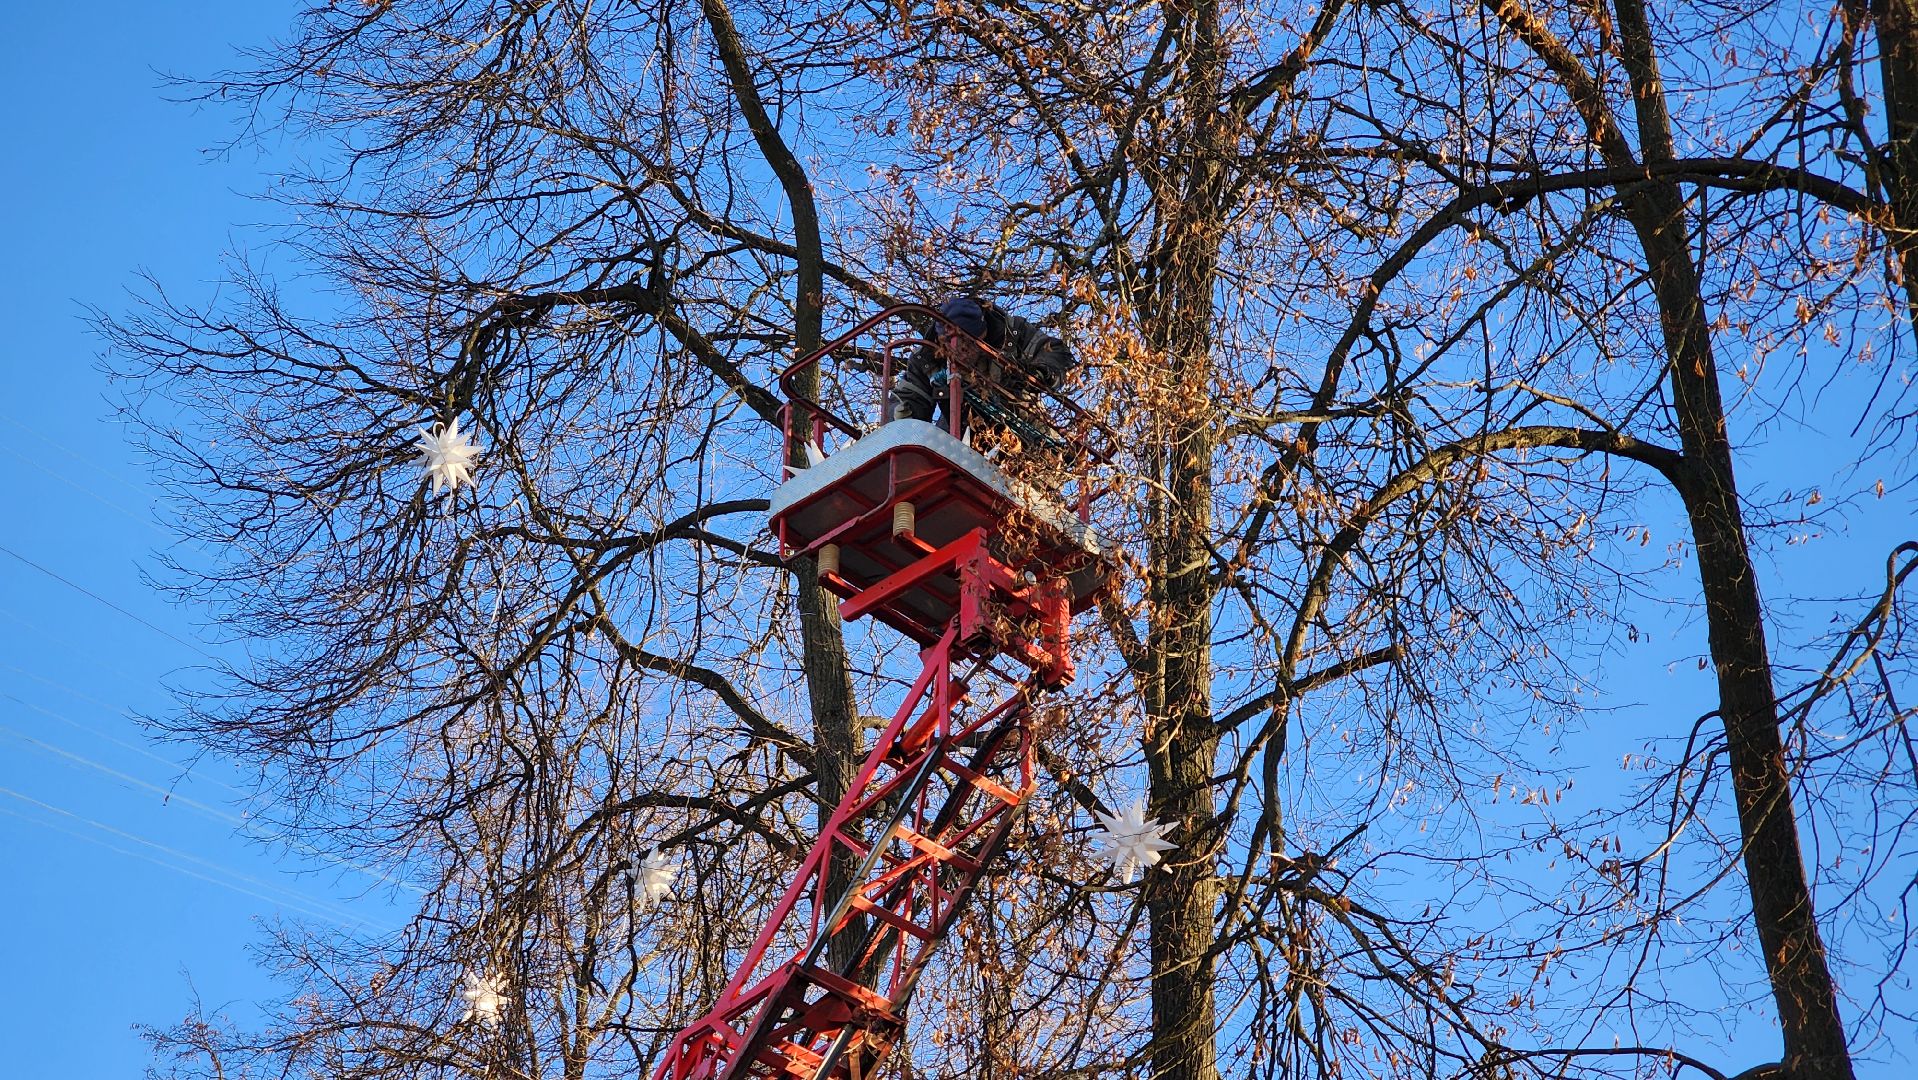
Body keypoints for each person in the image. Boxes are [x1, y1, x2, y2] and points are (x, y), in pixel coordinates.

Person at [890, 297, 1074, 444]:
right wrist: (896, 428)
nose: (959, 349)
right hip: (960, 437)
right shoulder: (927, 358)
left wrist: (1038, 373)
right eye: (949, 343)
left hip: (1022, 427)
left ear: (982, 334)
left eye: (967, 342)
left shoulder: (1012, 332)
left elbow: (1053, 351)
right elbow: (907, 400)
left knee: (1042, 452)